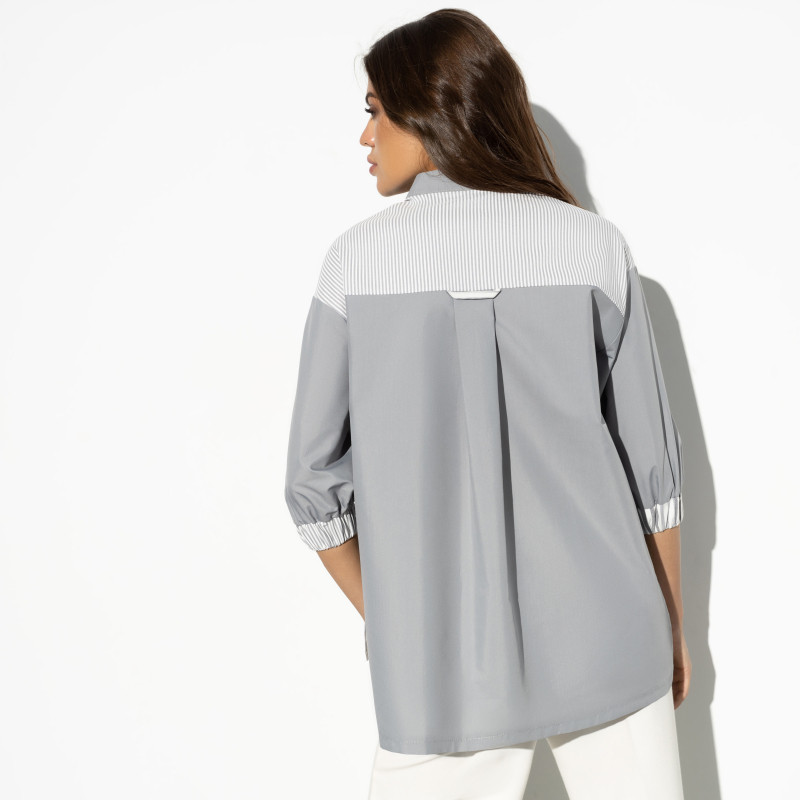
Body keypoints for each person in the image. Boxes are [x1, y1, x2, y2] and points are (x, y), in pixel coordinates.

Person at [284, 9, 691, 799]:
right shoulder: (591, 245)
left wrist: (397, 621)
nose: (365, 135)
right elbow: (655, 478)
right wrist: (671, 625)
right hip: (611, 633)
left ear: (427, 109)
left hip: (436, 665)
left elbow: (310, 483)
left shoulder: (354, 264)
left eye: (375, 110)